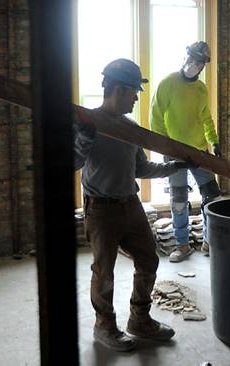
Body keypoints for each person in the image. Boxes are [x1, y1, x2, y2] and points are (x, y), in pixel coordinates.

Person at [74, 58, 193, 352]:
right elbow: (72, 162)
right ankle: (105, 326)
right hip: (101, 209)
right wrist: (83, 141)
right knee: (104, 271)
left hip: (131, 204)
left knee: (149, 260)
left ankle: (139, 319)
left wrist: (173, 167)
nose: (137, 97)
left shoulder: (130, 128)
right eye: (133, 92)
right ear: (117, 89)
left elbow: (140, 167)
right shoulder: (88, 122)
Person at [150, 41, 223, 263]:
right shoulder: (168, 83)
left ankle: (209, 241)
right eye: (192, 58)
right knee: (179, 199)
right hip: (174, 151)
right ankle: (182, 245)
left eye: (200, 62)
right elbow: (156, 115)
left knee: (212, 196)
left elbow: (206, 118)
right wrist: (164, 145)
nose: (195, 64)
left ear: (203, 66)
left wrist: (214, 141)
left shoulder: (201, 89)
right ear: (185, 57)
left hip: (199, 150)